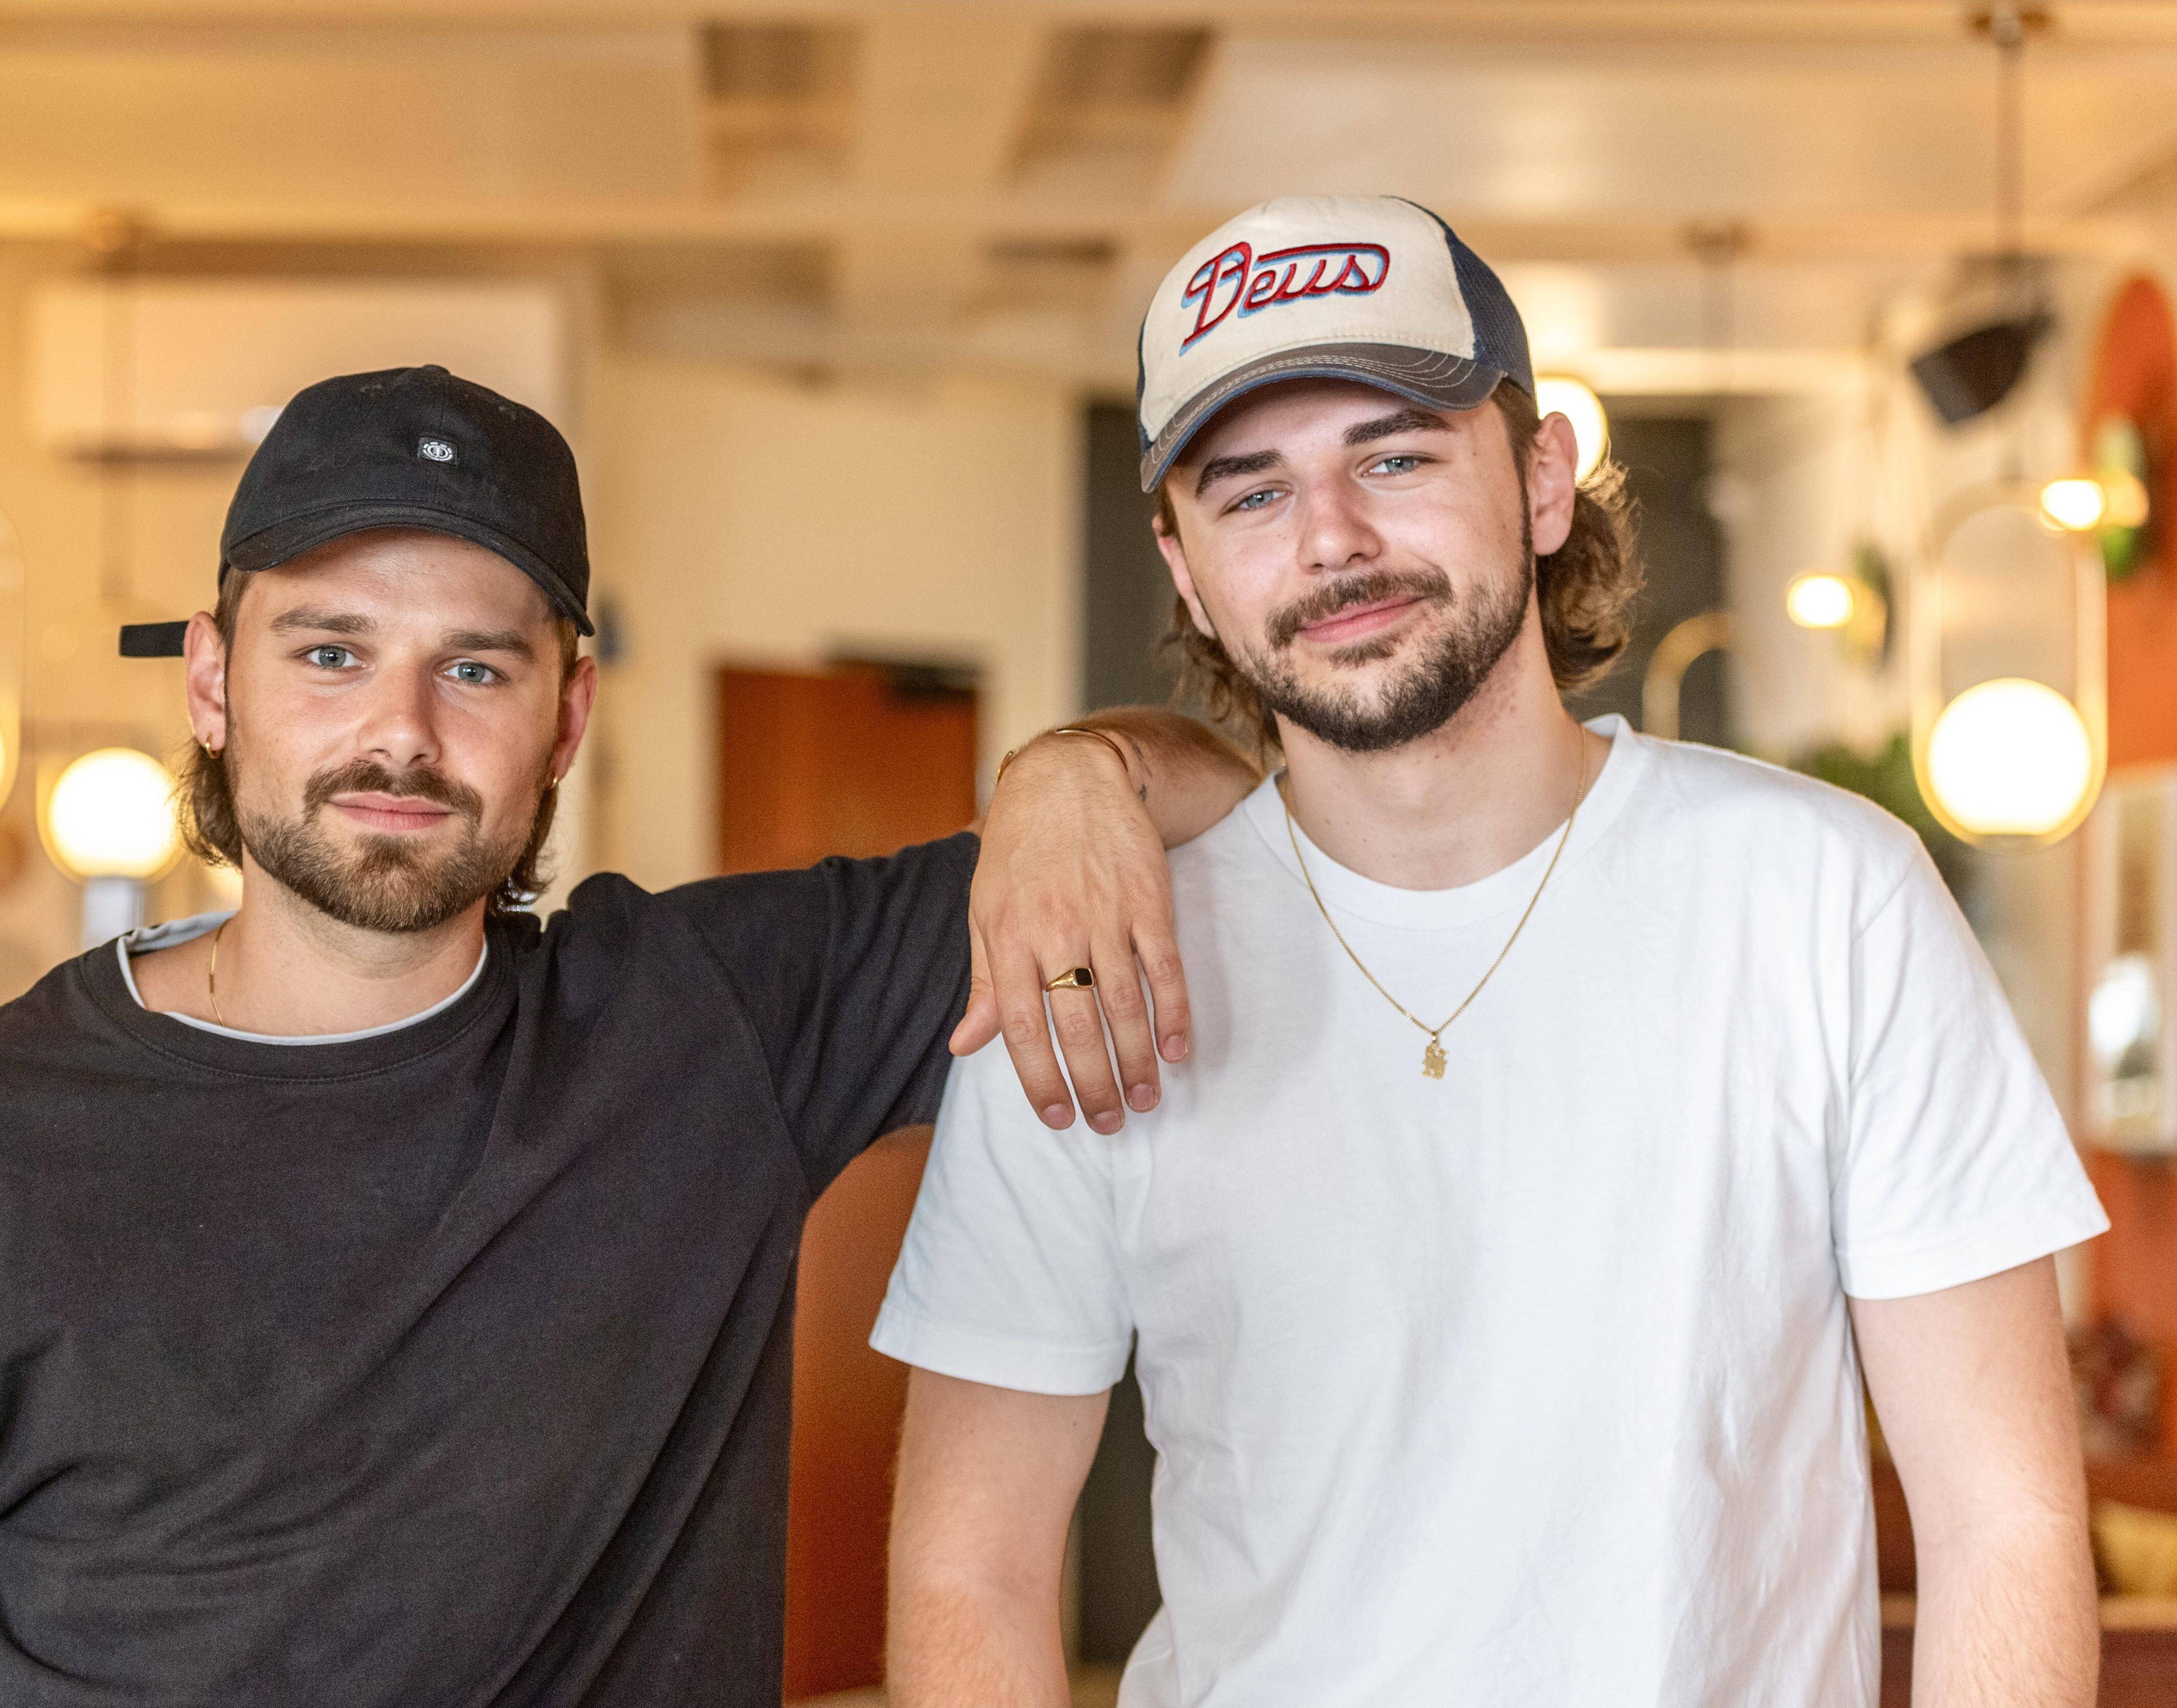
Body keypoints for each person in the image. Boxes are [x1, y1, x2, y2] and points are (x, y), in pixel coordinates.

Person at [0, 365, 1258, 1708]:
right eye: (331, 652)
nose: (401, 735)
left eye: (474, 667)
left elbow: (1231, 806)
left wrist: (1066, 777)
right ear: (214, 680)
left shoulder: (700, 1026)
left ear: (566, 716)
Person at [875, 197, 2108, 1707]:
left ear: (1539, 483)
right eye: (1250, 493)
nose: (1333, 539)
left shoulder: (1823, 897)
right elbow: (970, 1573)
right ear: (1186, 568)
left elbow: (2009, 1522)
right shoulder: (1090, 952)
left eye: (1393, 457)